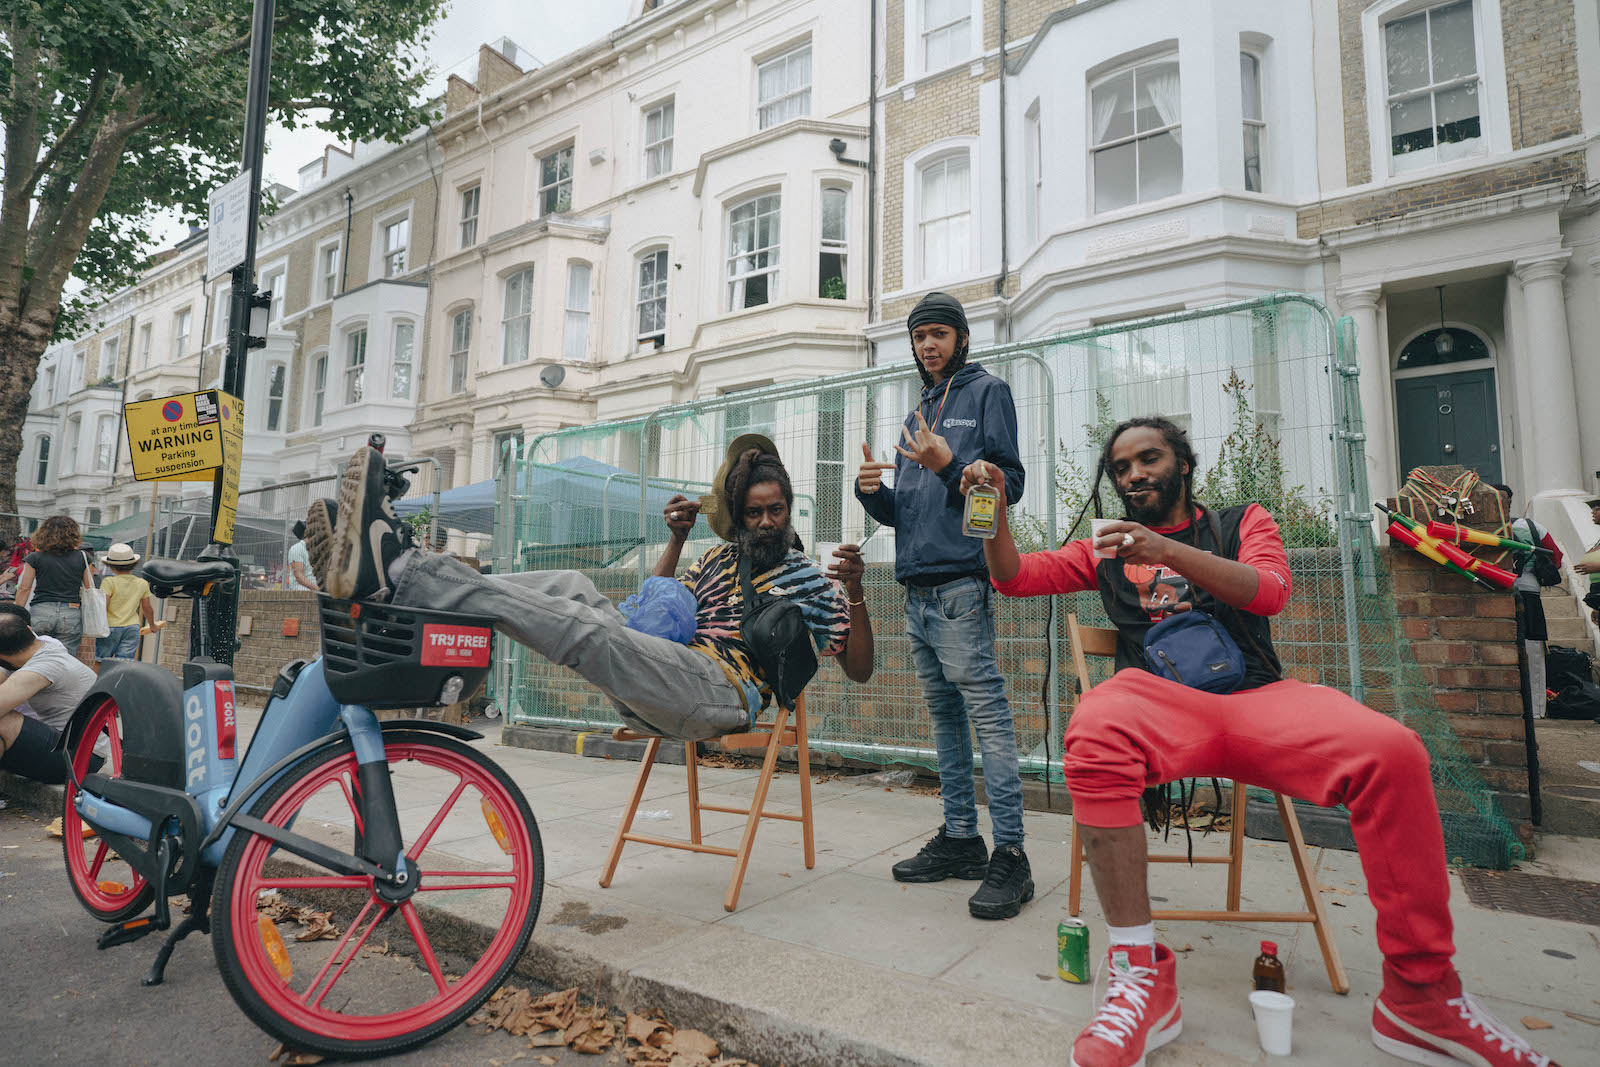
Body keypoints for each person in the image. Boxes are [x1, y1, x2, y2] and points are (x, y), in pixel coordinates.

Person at [959, 415, 1560, 1067]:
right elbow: (1012, 576)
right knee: (1097, 722)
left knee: (1395, 752)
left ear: (1183, 464)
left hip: (1258, 699)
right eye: (1122, 467)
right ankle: (1140, 978)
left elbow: (1270, 592)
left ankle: (1422, 998)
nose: (1134, 474)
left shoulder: (1243, 521)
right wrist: (989, 513)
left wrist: (1166, 552)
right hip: (1161, 705)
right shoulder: (1104, 547)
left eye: (1149, 458)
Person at [316, 436, 874, 739]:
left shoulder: (809, 579)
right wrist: (677, 541)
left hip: (721, 695)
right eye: (754, 512)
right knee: (571, 583)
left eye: (776, 510)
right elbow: (656, 612)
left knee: (589, 631)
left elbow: (859, 669)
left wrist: (856, 593)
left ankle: (402, 576)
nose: (767, 521)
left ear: (789, 509)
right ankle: (400, 594)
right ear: (738, 514)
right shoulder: (715, 560)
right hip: (665, 672)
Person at [853, 290, 1032, 920]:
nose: (929, 345)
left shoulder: (988, 394)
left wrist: (952, 462)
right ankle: (961, 838)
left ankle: (1011, 852)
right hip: (916, 590)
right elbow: (909, 511)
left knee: (988, 718)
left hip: (962, 585)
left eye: (940, 333)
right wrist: (870, 492)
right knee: (946, 723)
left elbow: (1005, 486)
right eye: (920, 335)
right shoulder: (918, 411)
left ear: (960, 337)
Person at [1, 604, 97, 784]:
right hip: (65, 748)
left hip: (83, 758)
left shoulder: (43, 667)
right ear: (29, 631)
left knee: (4, 720)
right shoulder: (35, 652)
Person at [1494, 485, 1564, 719]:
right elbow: (1556, 558)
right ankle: (1535, 709)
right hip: (1529, 591)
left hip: (1490, 591)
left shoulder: (1476, 529)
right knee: (1533, 648)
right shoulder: (1532, 526)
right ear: (1511, 500)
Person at [12, 514, 92, 652]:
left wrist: (18, 614)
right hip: (71, 612)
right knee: (66, 658)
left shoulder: (34, 558)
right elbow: (89, 587)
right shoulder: (83, 557)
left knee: (38, 656)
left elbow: (24, 588)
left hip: (41, 610)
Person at [95, 544, 160, 668]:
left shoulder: (109, 582)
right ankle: (119, 687)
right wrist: (152, 626)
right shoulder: (142, 583)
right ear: (133, 564)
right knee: (124, 664)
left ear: (111, 565)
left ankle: (97, 686)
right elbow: (147, 608)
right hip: (132, 627)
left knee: (101, 661)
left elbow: (103, 606)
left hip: (110, 626)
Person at [287, 520, 319, 591]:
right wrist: (317, 589)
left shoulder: (319, 549)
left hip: (317, 586)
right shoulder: (297, 548)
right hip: (301, 587)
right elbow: (299, 576)